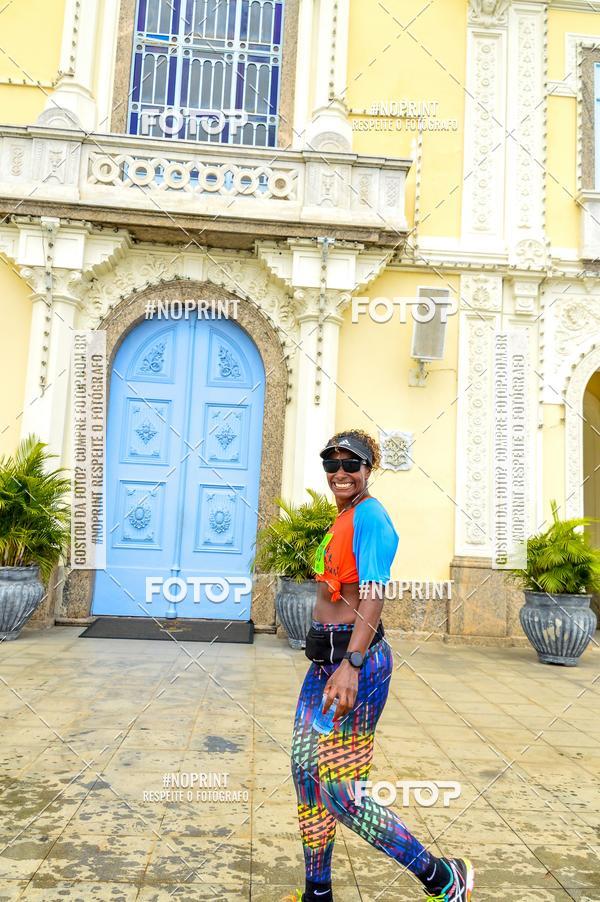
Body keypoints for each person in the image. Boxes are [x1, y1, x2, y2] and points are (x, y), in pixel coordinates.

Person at [285, 430, 474, 901]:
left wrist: (351, 663)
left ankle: (442, 877)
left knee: (343, 793)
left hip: (357, 662)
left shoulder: (371, 516)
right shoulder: (344, 516)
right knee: (307, 774)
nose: (341, 473)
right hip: (325, 661)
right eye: (332, 464)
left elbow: (373, 593)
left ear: (370, 469)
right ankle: (318, 893)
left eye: (352, 464)